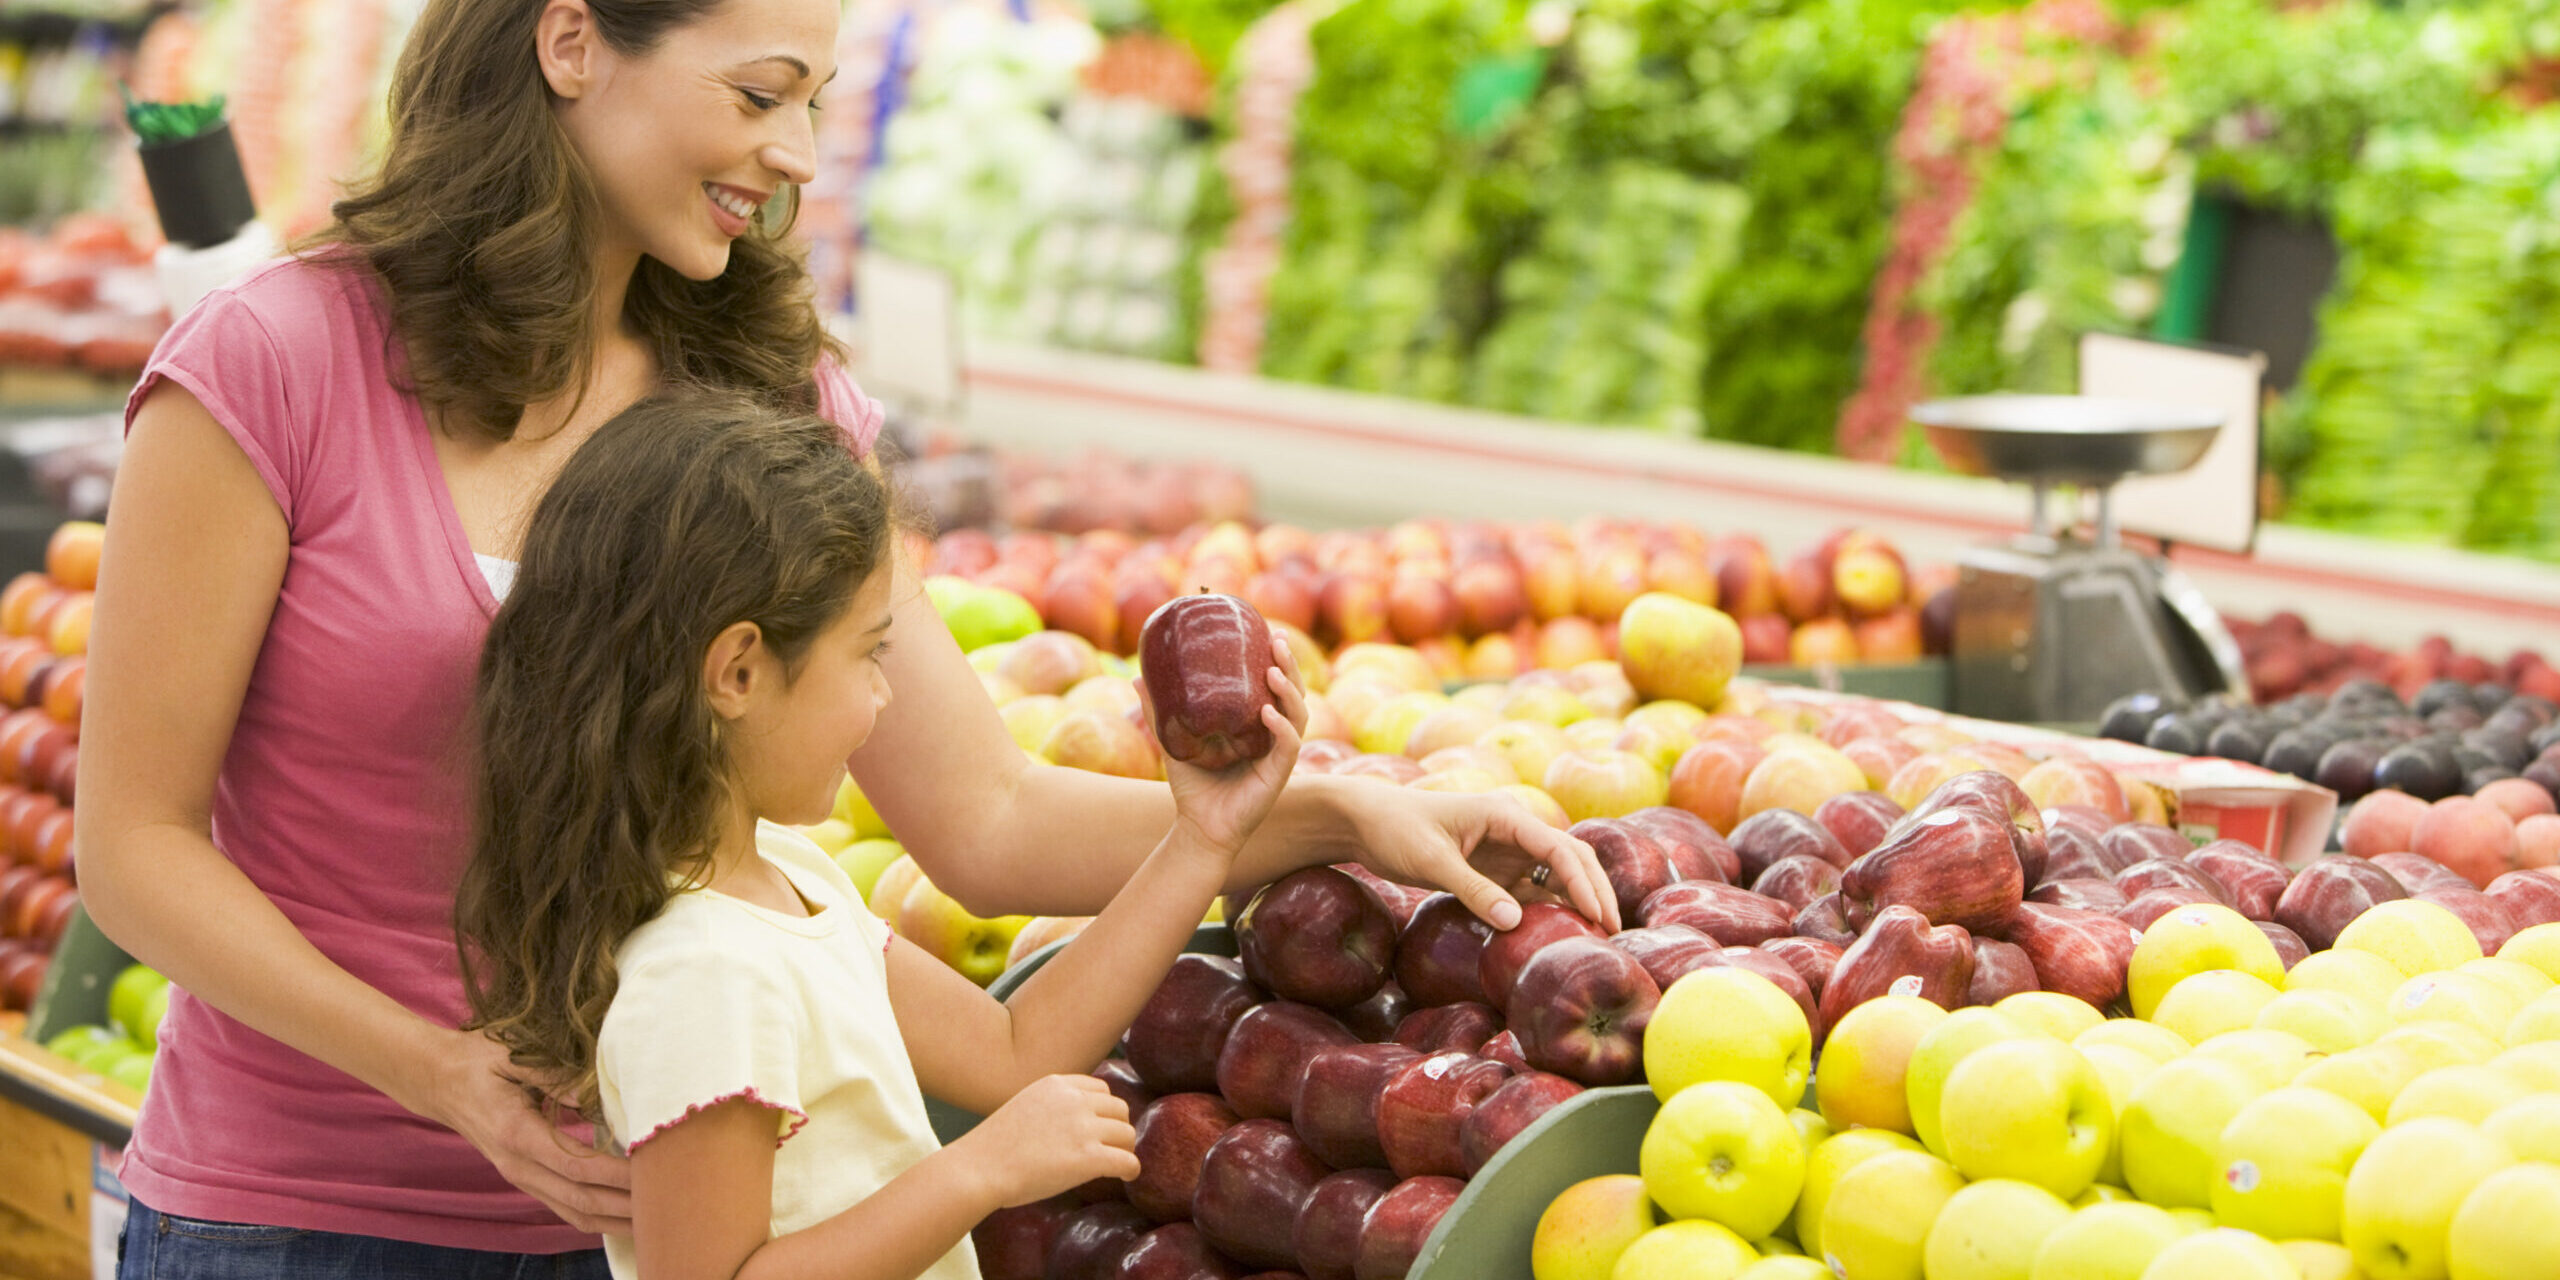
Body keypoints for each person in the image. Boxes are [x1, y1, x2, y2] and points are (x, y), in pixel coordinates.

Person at [76, 0, 1613, 1272]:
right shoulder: (276, 361)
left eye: (813, 103)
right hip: (298, 1221)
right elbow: (135, 848)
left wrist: (1334, 809)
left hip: (710, 1216)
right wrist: (445, 1077)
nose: (795, 157)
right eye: (757, 95)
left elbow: (990, 820)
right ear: (568, 42)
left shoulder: (774, 402)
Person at [456, 387, 1303, 1280]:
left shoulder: (785, 876)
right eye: (867, 654)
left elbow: (1015, 1051)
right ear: (738, 672)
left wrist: (1202, 841)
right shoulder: (705, 973)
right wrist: (978, 1171)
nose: (884, 695)